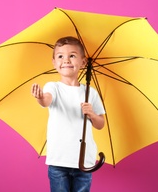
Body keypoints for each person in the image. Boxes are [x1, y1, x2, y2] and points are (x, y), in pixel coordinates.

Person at [31, 36, 105, 192]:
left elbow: (101, 124)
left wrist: (91, 113)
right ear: (54, 62)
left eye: (72, 55)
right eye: (60, 56)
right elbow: (47, 100)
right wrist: (40, 97)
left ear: (83, 62)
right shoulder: (53, 87)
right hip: (59, 160)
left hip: (84, 161)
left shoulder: (90, 92)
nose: (66, 60)